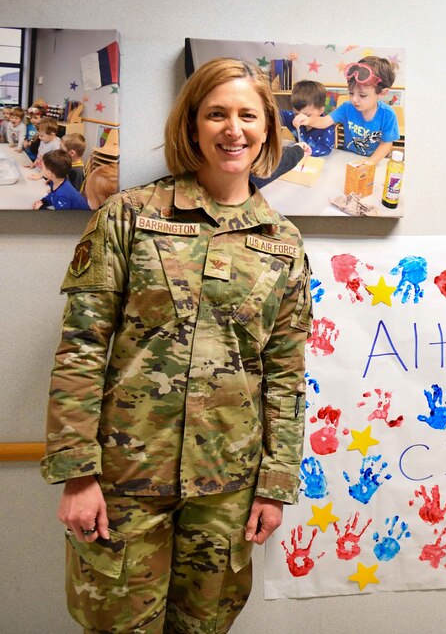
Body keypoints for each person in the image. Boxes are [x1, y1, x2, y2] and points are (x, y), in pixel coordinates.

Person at [41, 57, 313, 632]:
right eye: (216, 114)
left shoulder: (284, 243)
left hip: (228, 491)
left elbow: (286, 376)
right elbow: (81, 349)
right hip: (125, 482)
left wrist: (275, 486)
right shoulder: (130, 217)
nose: (233, 130)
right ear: (192, 124)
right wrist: (77, 474)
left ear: (268, 128)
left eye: (247, 116)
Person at [295, 55, 399, 164]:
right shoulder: (347, 108)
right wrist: (308, 120)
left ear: (382, 93)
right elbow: (325, 121)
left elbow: (386, 144)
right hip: (348, 160)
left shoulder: (388, 115)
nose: (354, 99)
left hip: (374, 162)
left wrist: (370, 162)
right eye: (351, 93)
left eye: (362, 95)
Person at [280, 79, 335, 157]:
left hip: (321, 161)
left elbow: (326, 148)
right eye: (296, 114)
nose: (300, 118)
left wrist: (308, 151)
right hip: (300, 161)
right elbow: (274, 113)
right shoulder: (291, 117)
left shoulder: (327, 125)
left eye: (307, 116)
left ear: (321, 110)